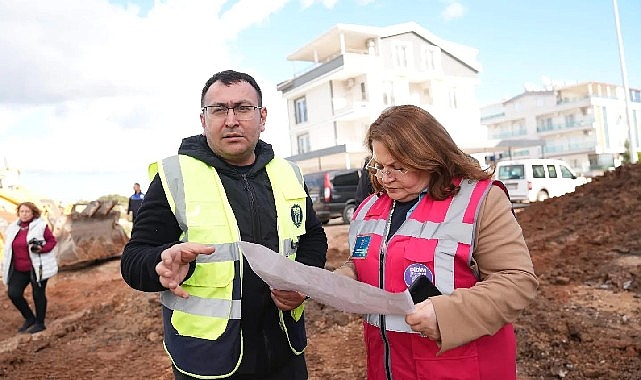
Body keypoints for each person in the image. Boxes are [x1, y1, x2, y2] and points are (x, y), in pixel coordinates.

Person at [120, 70, 328, 380]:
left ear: (262, 116)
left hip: (283, 351)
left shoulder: (288, 173)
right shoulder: (175, 177)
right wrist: (159, 264)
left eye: (243, 108)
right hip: (209, 360)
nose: (231, 120)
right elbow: (134, 258)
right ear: (203, 120)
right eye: (219, 109)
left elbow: (312, 238)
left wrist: (303, 284)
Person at [334, 105, 538, 379]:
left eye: (398, 167)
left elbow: (517, 281)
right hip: (388, 369)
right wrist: (345, 278)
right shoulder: (371, 206)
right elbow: (367, 259)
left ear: (429, 159)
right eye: (379, 166)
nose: (385, 178)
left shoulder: (480, 201)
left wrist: (446, 315)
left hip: (459, 369)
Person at [2, 202, 58, 334]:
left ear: (33, 213)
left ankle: (40, 323)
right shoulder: (12, 228)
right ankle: (29, 318)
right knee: (13, 294)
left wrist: (42, 249)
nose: (24, 214)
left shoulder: (40, 226)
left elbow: (52, 241)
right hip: (18, 267)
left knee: (38, 294)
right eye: (22, 211)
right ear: (18, 213)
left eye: (27, 211)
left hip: (36, 267)